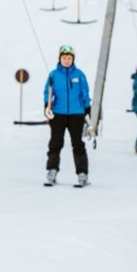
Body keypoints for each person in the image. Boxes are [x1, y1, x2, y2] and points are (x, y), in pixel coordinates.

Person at [43, 45, 92, 186]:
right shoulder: (53, 75)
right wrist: (47, 106)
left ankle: (82, 174)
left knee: (77, 144)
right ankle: (52, 171)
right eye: (64, 57)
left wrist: (87, 109)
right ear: (60, 58)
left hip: (76, 114)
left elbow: (85, 93)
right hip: (58, 114)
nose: (66, 60)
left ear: (73, 59)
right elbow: (47, 92)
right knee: (55, 143)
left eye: (69, 58)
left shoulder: (79, 75)